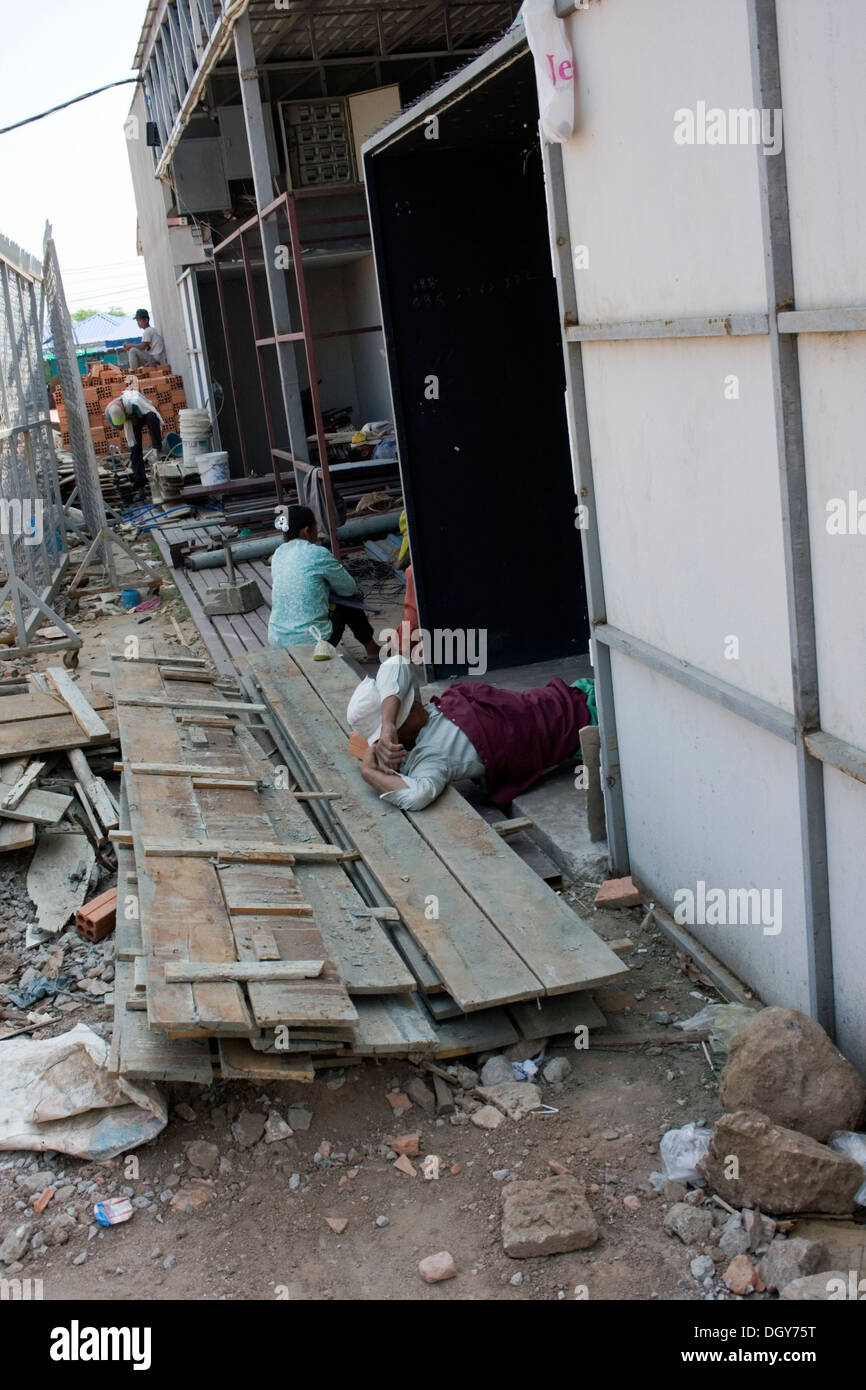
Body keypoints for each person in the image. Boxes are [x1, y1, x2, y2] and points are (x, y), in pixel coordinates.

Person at [347, 654, 591, 812]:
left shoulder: (421, 718)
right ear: (402, 732)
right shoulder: (429, 757)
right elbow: (418, 795)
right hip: (575, 722)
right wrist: (369, 772)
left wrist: (387, 724)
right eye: (408, 709)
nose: (416, 703)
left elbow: (395, 663)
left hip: (557, 699)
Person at [268, 504, 380, 659]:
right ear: (307, 531)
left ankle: (372, 648)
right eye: (316, 526)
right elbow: (349, 588)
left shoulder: (278, 554)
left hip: (278, 640)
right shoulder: (317, 553)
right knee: (347, 599)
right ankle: (372, 649)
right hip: (313, 642)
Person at [105, 389, 163, 497]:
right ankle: (141, 486)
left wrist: (131, 416)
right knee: (135, 451)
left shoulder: (133, 402)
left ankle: (158, 448)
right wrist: (126, 419)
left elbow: (143, 413)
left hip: (141, 414)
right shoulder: (108, 413)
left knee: (152, 416)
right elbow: (119, 427)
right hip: (130, 422)